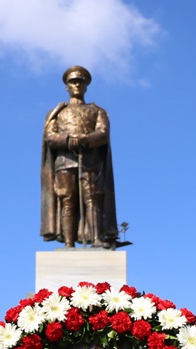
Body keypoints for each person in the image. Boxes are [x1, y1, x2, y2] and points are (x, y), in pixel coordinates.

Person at [40, 65, 118, 249]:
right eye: (73, 82)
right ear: (66, 86)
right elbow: (50, 137)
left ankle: (96, 239)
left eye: (80, 82)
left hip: (90, 161)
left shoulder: (97, 111)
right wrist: (68, 140)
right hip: (64, 162)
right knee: (67, 199)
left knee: (92, 198)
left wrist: (84, 139)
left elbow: (103, 133)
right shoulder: (57, 112)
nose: (76, 85)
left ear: (86, 86)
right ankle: (69, 243)